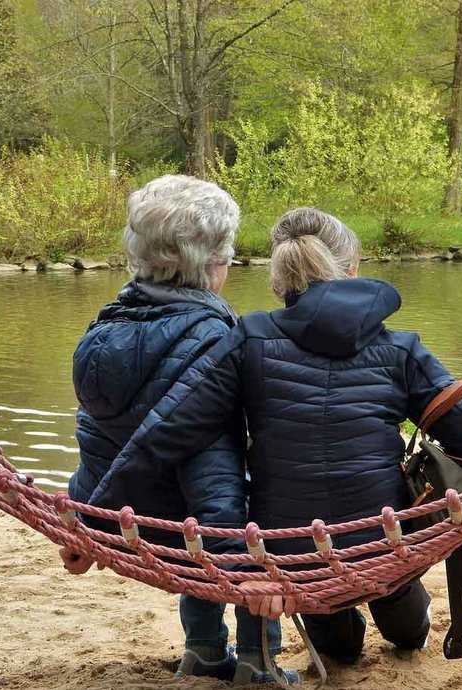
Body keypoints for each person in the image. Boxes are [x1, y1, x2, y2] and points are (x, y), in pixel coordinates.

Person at [90, 207, 462, 663]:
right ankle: (403, 616)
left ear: (279, 284)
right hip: (385, 540)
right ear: (352, 271)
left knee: (340, 649)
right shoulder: (400, 349)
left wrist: (92, 520)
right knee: (402, 613)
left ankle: (351, 622)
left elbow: (168, 432)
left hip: (293, 557)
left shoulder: (247, 339)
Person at [61, 175, 296, 685]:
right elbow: (217, 472)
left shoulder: (102, 330)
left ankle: (204, 650)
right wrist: (243, 572)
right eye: (227, 255)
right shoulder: (217, 339)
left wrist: (84, 520)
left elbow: (98, 439)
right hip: (192, 526)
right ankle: (259, 661)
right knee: (261, 500)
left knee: (196, 514)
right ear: (212, 265)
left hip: (124, 517)